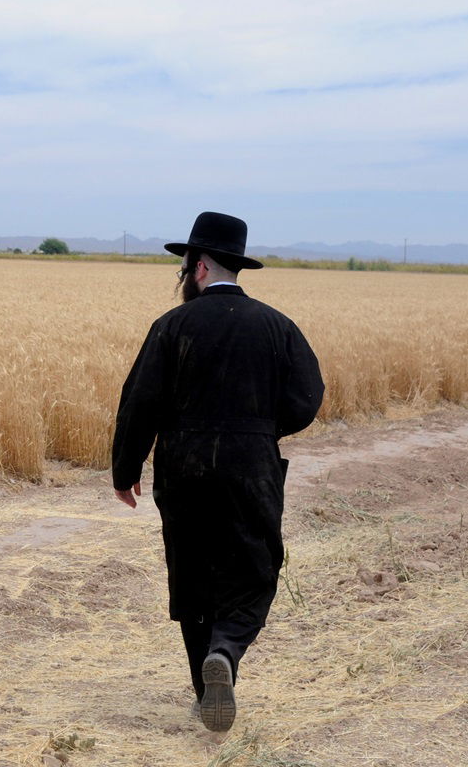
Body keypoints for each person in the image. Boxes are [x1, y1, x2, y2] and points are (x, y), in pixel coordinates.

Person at [111, 211, 324, 731]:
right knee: (254, 568)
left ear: (200, 267)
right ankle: (225, 655)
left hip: (182, 464)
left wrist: (126, 467)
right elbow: (307, 397)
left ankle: (204, 686)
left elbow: (140, 401)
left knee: (192, 574)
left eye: (185, 266)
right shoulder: (277, 326)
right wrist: (260, 429)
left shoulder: (171, 326)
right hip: (252, 465)